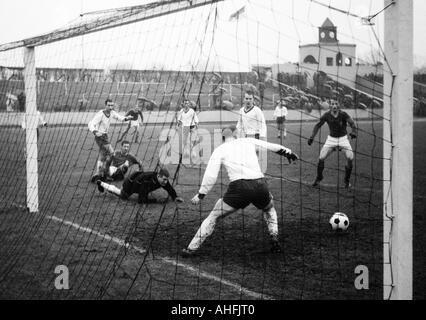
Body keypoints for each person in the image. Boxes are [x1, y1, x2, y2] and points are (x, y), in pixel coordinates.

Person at [181, 125, 299, 257]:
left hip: (239, 189)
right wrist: (288, 152)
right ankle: (274, 239)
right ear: (236, 134)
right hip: (260, 185)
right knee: (270, 210)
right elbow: (271, 146)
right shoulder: (247, 141)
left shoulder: (220, 149)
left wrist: (201, 194)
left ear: (223, 136)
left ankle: (191, 248)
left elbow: (211, 175)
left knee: (214, 216)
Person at [307, 99, 357, 189]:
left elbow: (352, 123)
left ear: (339, 105)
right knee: (321, 158)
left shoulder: (343, 114)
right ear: (330, 106)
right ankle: (319, 177)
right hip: (331, 140)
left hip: (343, 139)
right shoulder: (326, 115)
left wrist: (354, 132)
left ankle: (346, 180)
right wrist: (312, 137)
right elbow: (318, 125)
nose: (334, 105)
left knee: (350, 157)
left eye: (336, 104)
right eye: (333, 104)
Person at [88, 98, 132, 183]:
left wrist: (127, 118)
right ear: (105, 105)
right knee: (112, 153)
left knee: (103, 155)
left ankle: (98, 174)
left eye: (112, 105)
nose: (110, 107)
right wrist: (95, 131)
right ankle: (105, 173)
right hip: (100, 136)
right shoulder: (101, 114)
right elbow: (91, 123)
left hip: (105, 136)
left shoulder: (112, 113)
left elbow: (120, 118)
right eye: (109, 105)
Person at [96, 168, 184, 204]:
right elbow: (141, 200)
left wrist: (175, 197)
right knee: (123, 195)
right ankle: (101, 183)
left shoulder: (162, 181)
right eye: (164, 179)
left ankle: (101, 183)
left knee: (145, 191)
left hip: (138, 178)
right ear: (158, 176)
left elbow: (169, 188)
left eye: (166, 179)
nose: (166, 182)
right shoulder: (147, 181)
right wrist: (156, 200)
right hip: (130, 183)